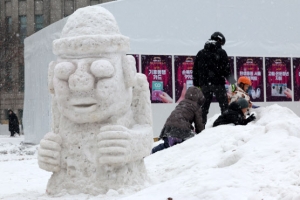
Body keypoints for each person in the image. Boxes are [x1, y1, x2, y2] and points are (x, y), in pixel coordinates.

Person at [193, 31, 236, 127]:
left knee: (203, 109)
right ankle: (226, 126)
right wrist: (232, 83)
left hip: (204, 85)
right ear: (219, 40)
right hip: (218, 84)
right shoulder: (221, 52)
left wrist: (197, 86)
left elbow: (195, 71)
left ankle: (200, 129)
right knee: (224, 107)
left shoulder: (200, 53)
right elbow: (226, 70)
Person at [152, 86, 205, 154]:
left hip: (169, 127)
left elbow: (176, 116)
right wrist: (201, 132)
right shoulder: (196, 107)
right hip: (181, 130)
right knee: (190, 141)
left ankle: (154, 150)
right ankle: (176, 141)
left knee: (166, 145)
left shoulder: (182, 103)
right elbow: (199, 124)